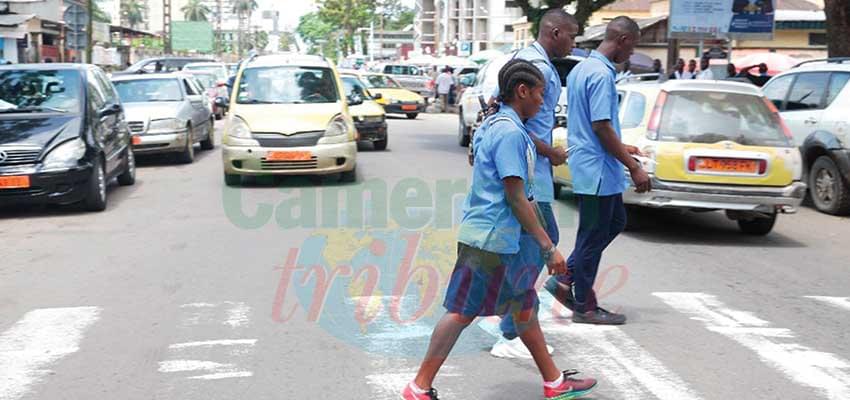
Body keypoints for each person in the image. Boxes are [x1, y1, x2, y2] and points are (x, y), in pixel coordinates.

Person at [401, 58, 597, 400]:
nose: (542, 101)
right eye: (540, 94)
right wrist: (548, 247)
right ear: (522, 91)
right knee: (462, 311)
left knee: (523, 307)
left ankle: (553, 382)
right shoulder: (507, 132)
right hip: (489, 241)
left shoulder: (500, 124)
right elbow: (516, 198)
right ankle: (419, 386)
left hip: (498, 239)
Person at [544, 16, 651, 325]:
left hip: (591, 166)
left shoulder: (582, 68)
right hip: (598, 171)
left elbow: (599, 126)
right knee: (593, 236)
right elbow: (601, 126)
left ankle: (566, 280)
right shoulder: (601, 75)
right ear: (624, 41)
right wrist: (634, 168)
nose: (631, 55)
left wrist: (625, 148)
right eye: (632, 48)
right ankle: (584, 305)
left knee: (614, 222)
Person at [486, 8, 578, 357]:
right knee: (542, 243)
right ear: (554, 32)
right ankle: (511, 333)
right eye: (571, 35)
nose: (573, 42)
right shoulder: (535, 66)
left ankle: (509, 320)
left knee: (533, 245)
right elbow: (514, 120)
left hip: (532, 166)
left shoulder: (530, 60)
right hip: (528, 169)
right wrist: (549, 152)